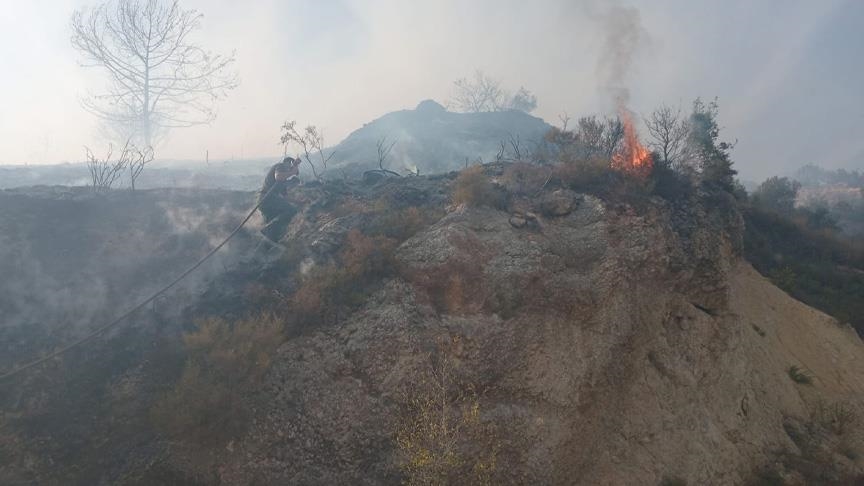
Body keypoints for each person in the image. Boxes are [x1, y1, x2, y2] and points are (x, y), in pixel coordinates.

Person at [258, 157, 301, 242]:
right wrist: (292, 171)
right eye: (290, 167)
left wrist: (299, 202)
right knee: (292, 210)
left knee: (273, 232)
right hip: (267, 199)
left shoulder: (282, 182)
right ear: (288, 163)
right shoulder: (280, 166)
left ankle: (266, 244)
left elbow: (285, 197)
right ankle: (267, 229)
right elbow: (278, 177)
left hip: (265, 201)